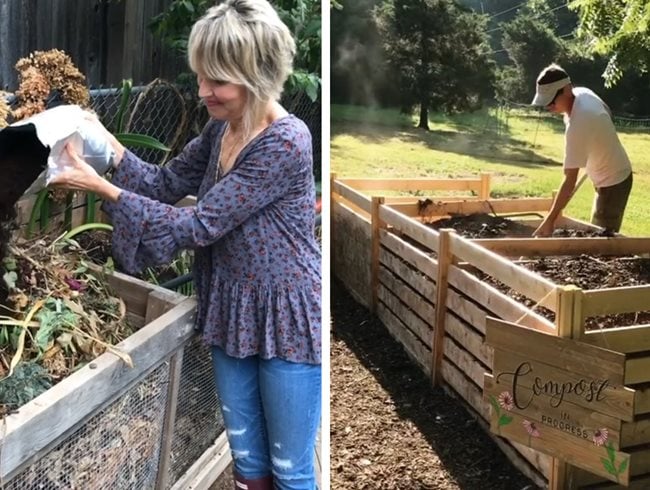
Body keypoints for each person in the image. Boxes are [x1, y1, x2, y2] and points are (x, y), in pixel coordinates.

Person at [50, 1, 321, 489]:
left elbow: (198, 226)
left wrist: (101, 189)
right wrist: (106, 143)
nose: (202, 92)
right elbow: (164, 182)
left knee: (290, 470)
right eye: (200, 77)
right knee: (249, 461)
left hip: (285, 317)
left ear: (256, 74)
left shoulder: (286, 142)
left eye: (216, 80)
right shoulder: (222, 128)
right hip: (231, 308)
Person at [531, 63, 633, 237]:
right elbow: (606, 110)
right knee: (595, 232)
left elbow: (569, 180)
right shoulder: (582, 93)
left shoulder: (580, 121)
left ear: (566, 89)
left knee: (600, 240)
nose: (548, 106)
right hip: (606, 176)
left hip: (613, 182)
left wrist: (550, 220)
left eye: (551, 100)